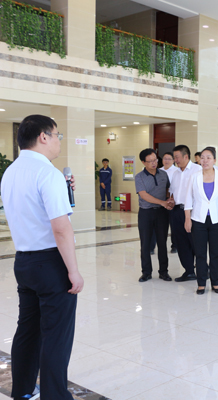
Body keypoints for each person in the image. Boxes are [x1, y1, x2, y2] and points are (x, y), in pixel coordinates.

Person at [2, 114, 84, 399]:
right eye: (57, 135)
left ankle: (23, 391)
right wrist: (73, 270)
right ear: (43, 137)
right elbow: (61, 228)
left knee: (27, 331)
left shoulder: (10, 172)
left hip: (24, 261)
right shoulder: (48, 173)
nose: (59, 141)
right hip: (51, 264)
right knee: (56, 336)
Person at [185, 147, 218, 295]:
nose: (205, 160)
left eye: (208, 157)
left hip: (217, 220)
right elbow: (188, 198)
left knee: (215, 253)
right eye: (202, 157)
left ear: (214, 160)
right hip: (198, 219)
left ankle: (215, 283)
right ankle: (201, 283)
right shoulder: (194, 176)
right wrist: (187, 218)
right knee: (200, 253)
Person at [135, 148, 174, 282]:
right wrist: (162, 202)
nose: (154, 163)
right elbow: (143, 195)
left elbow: (167, 189)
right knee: (145, 243)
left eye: (155, 160)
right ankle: (146, 272)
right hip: (145, 213)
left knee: (162, 242)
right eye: (150, 161)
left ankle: (164, 271)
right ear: (143, 162)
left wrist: (169, 199)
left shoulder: (163, 174)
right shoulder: (139, 177)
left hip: (162, 213)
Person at [169, 145, 201, 282]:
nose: (175, 160)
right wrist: (171, 200)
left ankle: (203, 270)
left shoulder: (197, 170)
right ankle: (189, 271)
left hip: (193, 211)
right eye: (174, 157)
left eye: (177, 157)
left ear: (186, 156)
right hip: (177, 211)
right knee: (181, 242)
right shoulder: (175, 172)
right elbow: (173, 191)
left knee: (195, 242)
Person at [160, 151, 177, 254]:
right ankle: (158, 245)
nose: (166, 161)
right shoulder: (159, 171)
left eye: (169, 159)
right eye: (165, 159)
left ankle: (175, 245)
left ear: (173, 160)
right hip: (161, 201)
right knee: (160, 225)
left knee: (173, 225)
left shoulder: (177, 171)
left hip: (172, 201)